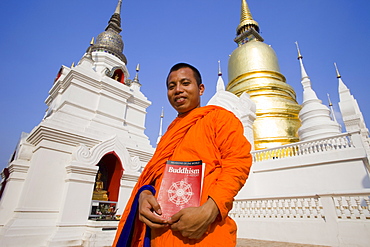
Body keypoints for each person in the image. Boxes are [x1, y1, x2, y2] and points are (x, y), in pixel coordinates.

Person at [113, 63, 252, 246]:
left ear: (201, 89)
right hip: (161, 234)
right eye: (172, 86)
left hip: (205, 232)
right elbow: (154, 177)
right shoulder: (169, 135)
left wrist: (210, 210)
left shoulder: (219, 118)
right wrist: (145, 194)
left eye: (185, 83)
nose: (178, 90)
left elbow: (237, 163)